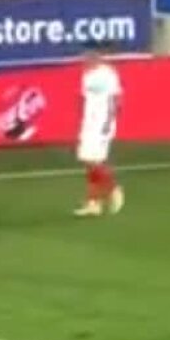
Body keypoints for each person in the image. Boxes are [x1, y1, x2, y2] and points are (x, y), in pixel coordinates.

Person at [74, 48, 125, 217]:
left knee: (95, 161)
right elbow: (85, 99)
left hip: (102, 124)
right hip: (89, 123)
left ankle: (114, 189)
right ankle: (93, 203)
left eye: (88, 58)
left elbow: (116, 98)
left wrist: (109, 121)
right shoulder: (86, 76)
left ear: (96, 58)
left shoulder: (108, 74)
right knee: (88, 161)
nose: (85, 62)